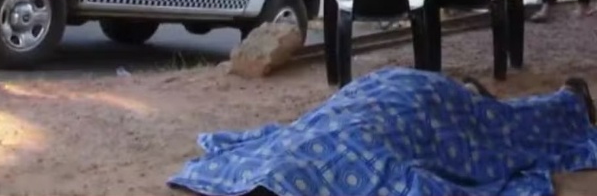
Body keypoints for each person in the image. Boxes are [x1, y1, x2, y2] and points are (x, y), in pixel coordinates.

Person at [169, 67, 597, 196]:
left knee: (503, 133)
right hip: (380, 91)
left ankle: (569, 101)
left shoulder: (374, 174)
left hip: (406, 98)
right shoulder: (273, 155)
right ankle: (563, 99)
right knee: (497, 127)